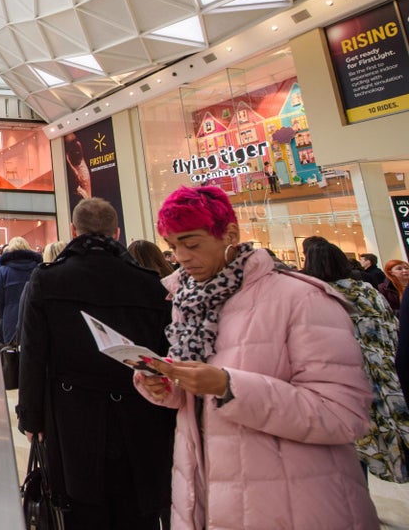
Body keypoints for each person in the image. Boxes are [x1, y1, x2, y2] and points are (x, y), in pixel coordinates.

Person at [137, 186, 377, 530]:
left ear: (229, 235)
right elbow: (202, 402)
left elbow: (344, 414)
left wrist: (229, 386)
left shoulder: (300, 298)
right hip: (211, 498)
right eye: (173, 247)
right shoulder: (187, 302)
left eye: (191, 244)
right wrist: (168, 384)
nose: (182, 257)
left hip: (294, 505)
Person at [18, 197, 174, 530]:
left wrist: (31, 417)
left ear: (73, 231)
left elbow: (33, 354)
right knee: (137, 514)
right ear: (117, 233)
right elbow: (166, 356)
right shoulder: (150, 283)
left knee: (82, 512)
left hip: (73, 422)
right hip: (141, 421)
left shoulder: (47, 280)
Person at [303, 241, 409, 482]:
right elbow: (392, 330)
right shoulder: (368, 291)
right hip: (384, 377)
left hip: (342, 384)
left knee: (349, 449)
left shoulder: (317, 296)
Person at [0, 237, 42, 344]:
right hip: (35, 316)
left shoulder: (4, 270)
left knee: (12, 353)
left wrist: (3, 314)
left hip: (10, 317)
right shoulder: (38, 268)